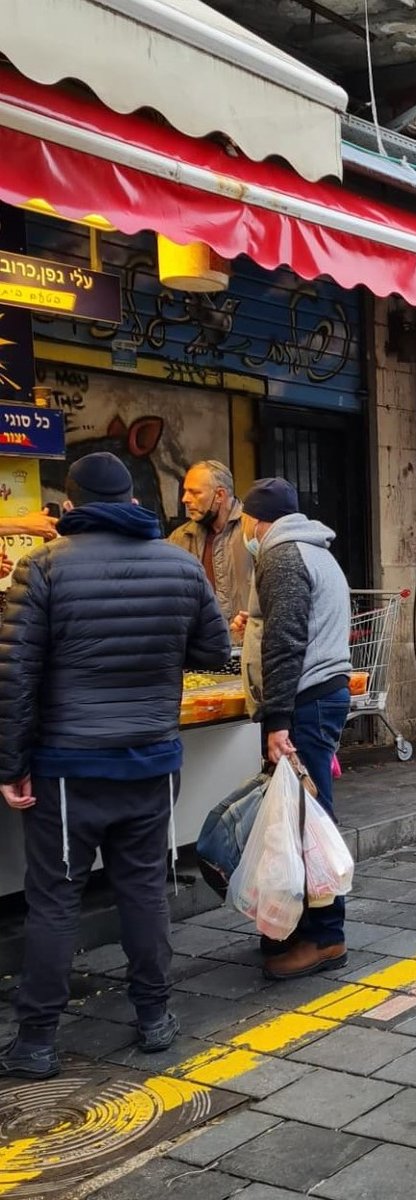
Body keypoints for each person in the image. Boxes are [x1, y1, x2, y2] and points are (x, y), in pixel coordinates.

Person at [0, 453, 229, 1079]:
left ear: (69, 506)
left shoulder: (41, 568)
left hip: (69, 767)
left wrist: (11, 763)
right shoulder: (180, 565)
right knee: (145, 888)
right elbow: (215, 649)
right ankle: (155, 1017)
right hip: (152, 758)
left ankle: (37, 1040)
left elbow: (16, 677)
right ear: (131, 501)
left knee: (54, 900)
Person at [236, 478, 353, 981]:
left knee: (307, 823)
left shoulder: (282, 557)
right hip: (318, 695)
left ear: (255, 519)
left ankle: (325, 937)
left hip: (304, 701)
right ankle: (296, 925)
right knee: (302, 816)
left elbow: (285, 642)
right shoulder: (314, 551)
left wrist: (276, 720)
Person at [169, 460, 252, 632]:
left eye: (195, 492)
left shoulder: (252, 531)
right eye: (185, 491)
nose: (185, 499)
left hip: (245, 646)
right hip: (201, 648)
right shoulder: (180, 538)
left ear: (220, 495)